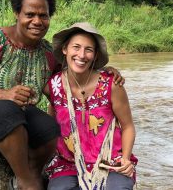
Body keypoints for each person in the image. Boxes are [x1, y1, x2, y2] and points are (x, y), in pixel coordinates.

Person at [0, 0, 124, 189]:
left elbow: (69, 82)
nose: (37, 21)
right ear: (17, 14)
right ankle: (27, 182)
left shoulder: (45, 52)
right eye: (30, 14)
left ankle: (30, 171)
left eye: (43, 15)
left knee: (50, 128)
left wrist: (102, 72)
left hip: (16, 114)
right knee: (7, 110)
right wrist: (5, 94)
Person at [44, 22, 138, 190]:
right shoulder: (54, 86)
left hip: (110, 160)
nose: (81, 55)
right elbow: (51, 125)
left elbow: (128, 126)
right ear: (65, 49)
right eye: (76, 47)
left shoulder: (112, 85)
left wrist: (125, 158)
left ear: (94, 56)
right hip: (69, 163)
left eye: (89, 50)